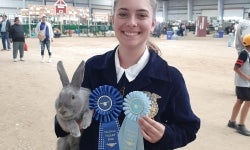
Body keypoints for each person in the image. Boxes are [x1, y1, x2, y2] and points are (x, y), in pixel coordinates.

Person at [55, 0, 200, 149]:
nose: (131, 22)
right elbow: (64, 115)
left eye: (141, 15)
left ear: (152, 24)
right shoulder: (92, 68)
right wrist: (65, 122)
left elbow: (188, 127)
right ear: (113, 20)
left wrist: (166, 135)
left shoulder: (171, 78)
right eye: (123, 14)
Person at [227, 34, 250, 136]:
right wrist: (247, 77)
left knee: (240, 101)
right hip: (242, 83)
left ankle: (232, 122)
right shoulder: (243, 54)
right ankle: (241, 125)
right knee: (248, 101)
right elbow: (236, 68)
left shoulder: (248, 54)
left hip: (246, 83)